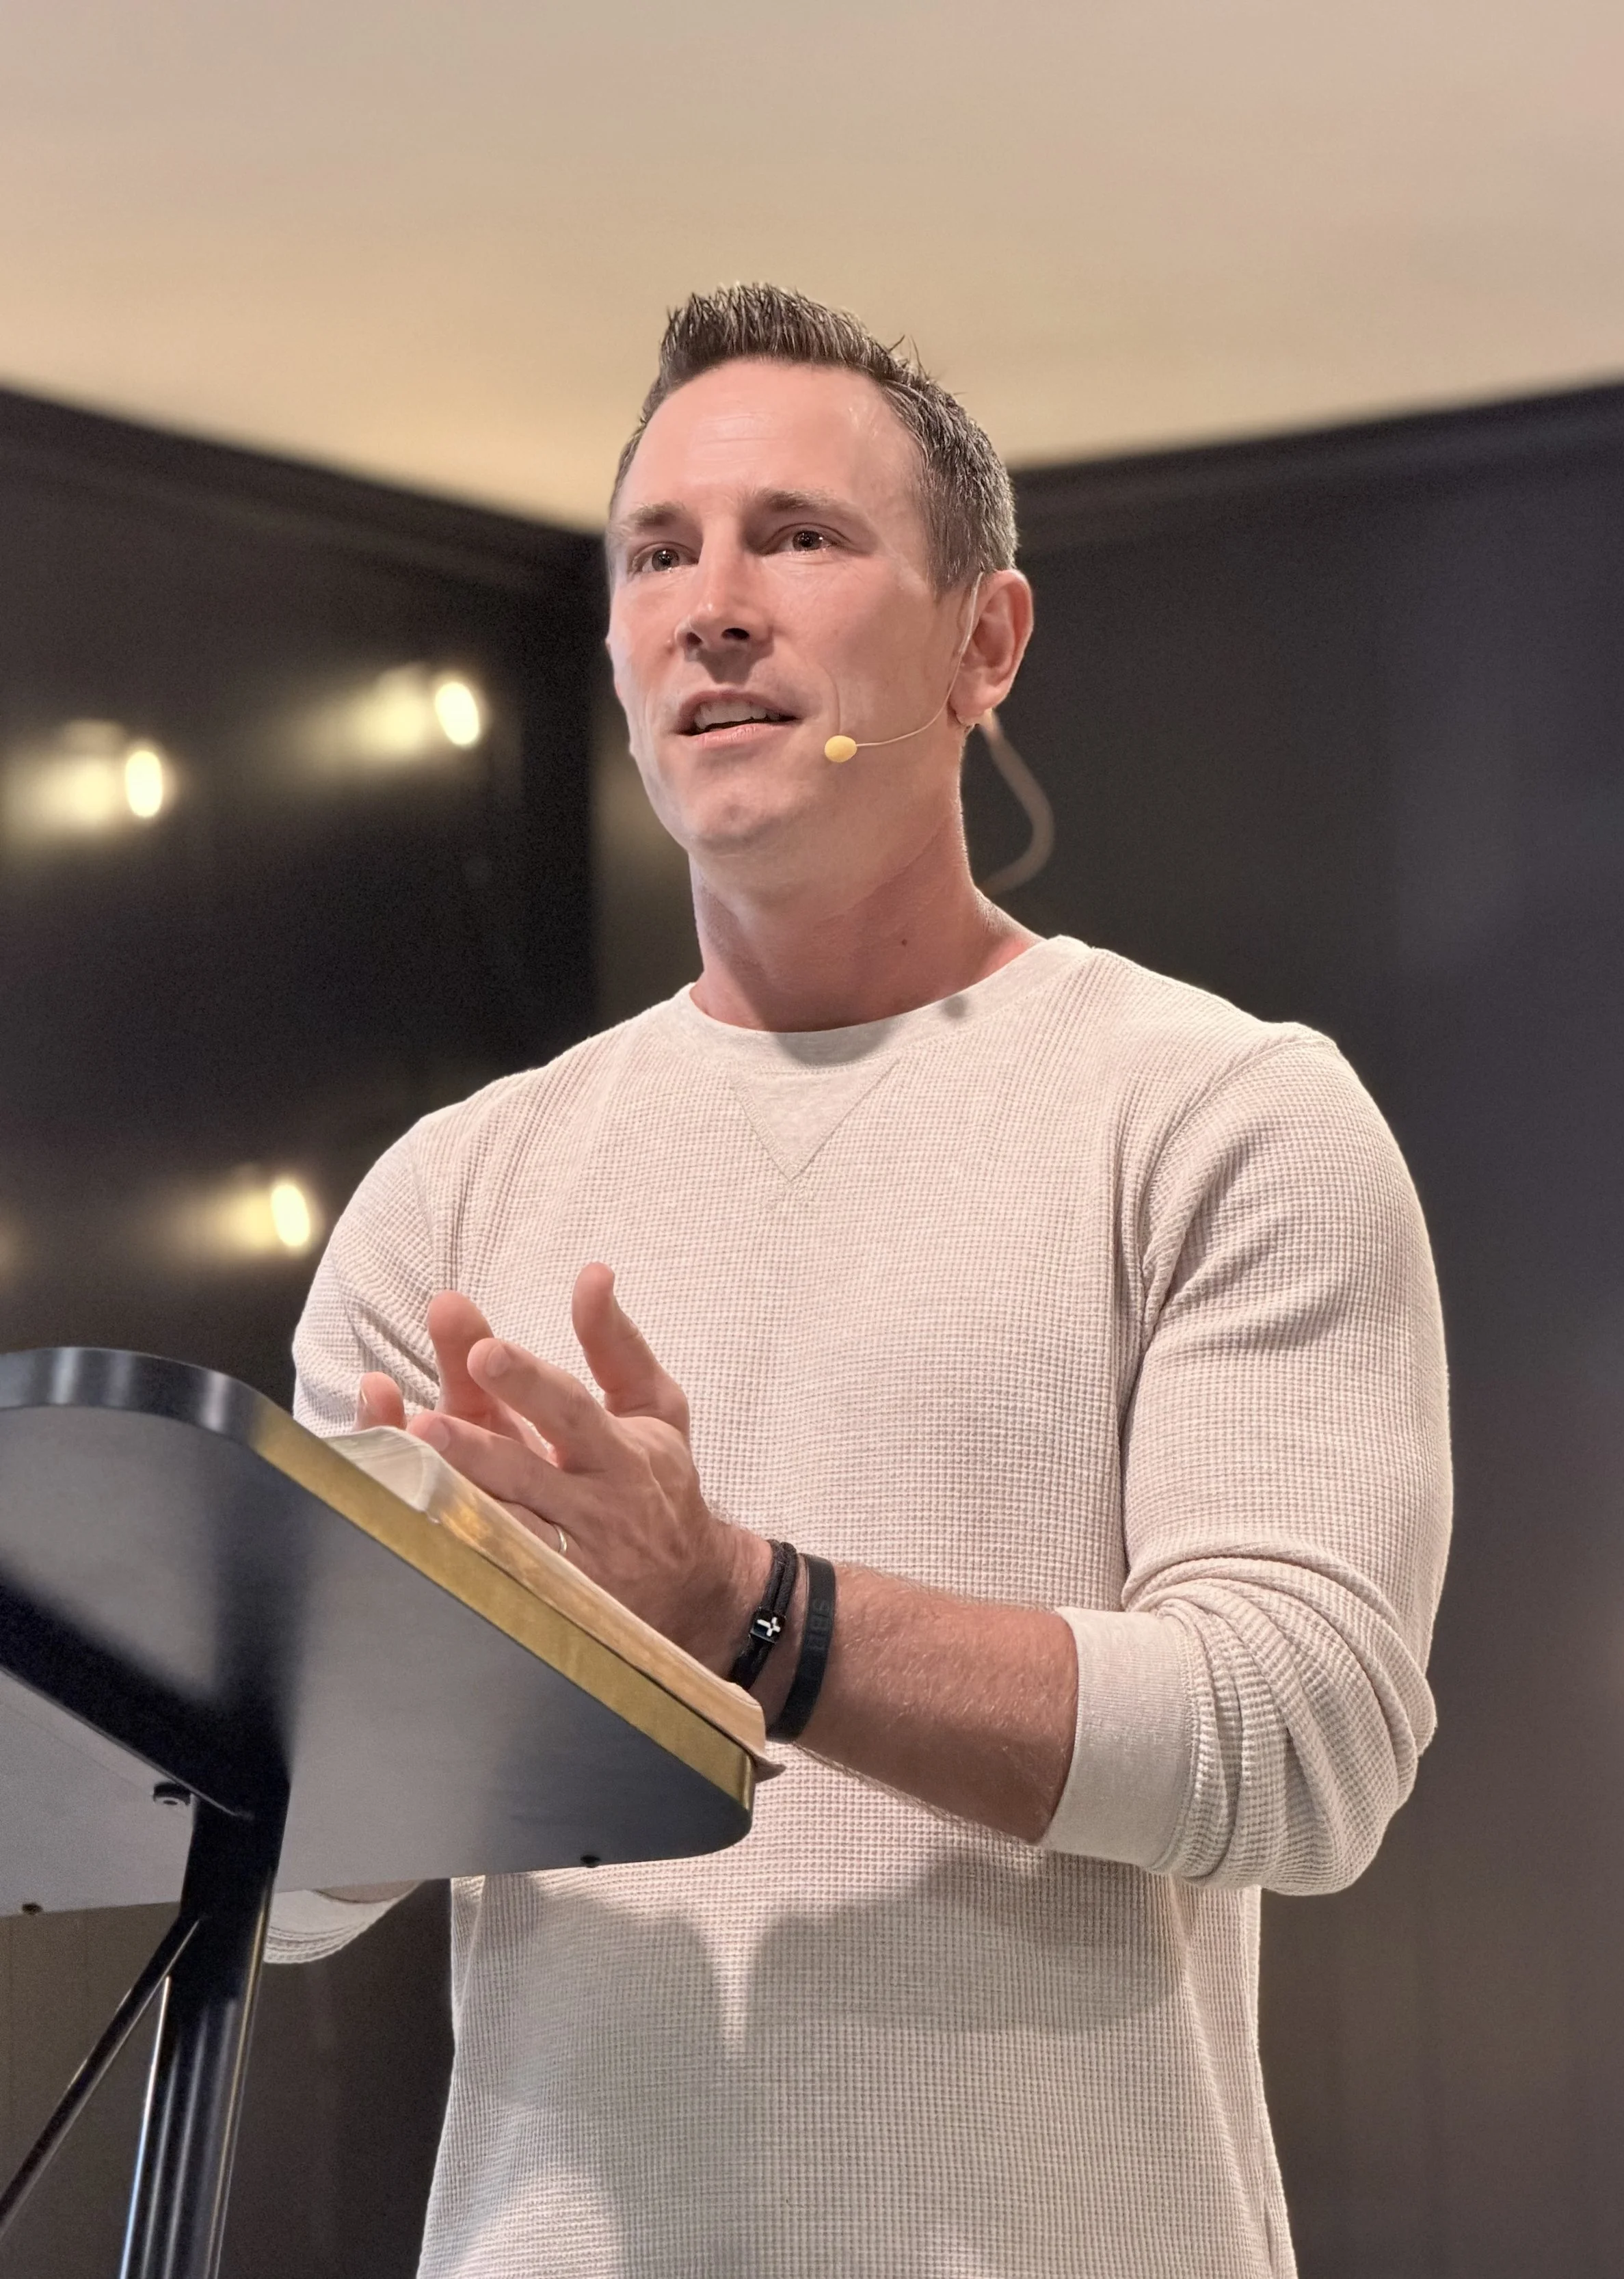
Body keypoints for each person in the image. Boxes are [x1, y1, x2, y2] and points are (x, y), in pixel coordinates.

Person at [269, 284, 1452, 2279]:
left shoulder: (1219, 1117)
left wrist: (738, 1612)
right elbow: (286, 1891)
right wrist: (372, 1664)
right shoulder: (454, 1190)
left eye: (796, 538)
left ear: (981, 641)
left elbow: (1298, 1740)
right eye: (656, 554)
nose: (712, 606)